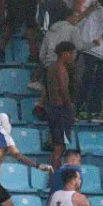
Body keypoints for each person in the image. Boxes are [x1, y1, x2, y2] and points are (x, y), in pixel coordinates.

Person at [44, 42, 77, 170]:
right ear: (65, 54)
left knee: (56, 146)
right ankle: (54, 179)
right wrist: (69, 107)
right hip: (60, 110)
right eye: (71, 53)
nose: (72, 57)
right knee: (59, 148)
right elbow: (64, 89)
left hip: (51, 108)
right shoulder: (61, 68)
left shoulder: (51, 67)